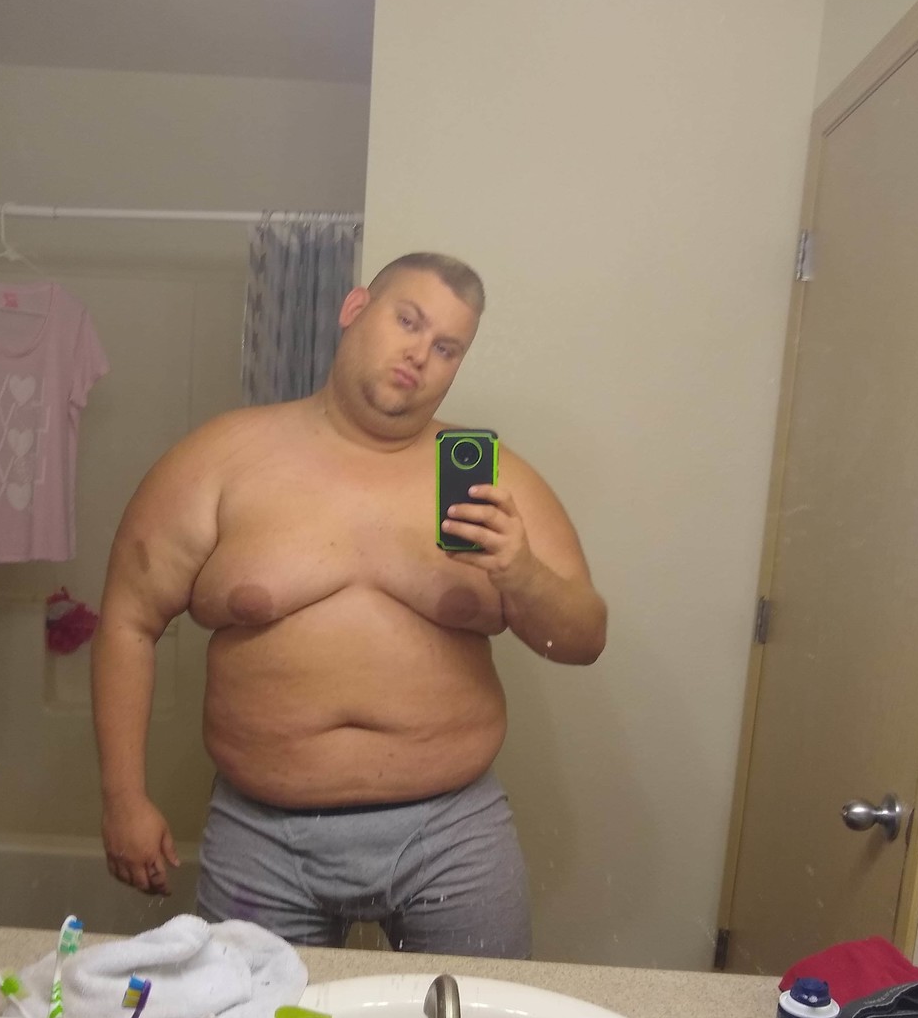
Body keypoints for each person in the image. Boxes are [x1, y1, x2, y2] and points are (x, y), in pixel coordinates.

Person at [91, 252, 606, 957]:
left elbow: (583, 639)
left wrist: (521, 573)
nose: (420, 354)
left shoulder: (492, 480)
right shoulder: (223, 458)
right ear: (355, 309)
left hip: (453, 835)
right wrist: (123, 800)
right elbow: (128, 620)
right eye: (408, 321)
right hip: (262, 837)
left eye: (447, 347)